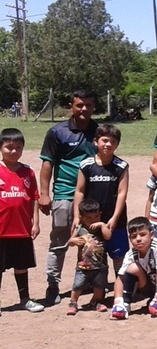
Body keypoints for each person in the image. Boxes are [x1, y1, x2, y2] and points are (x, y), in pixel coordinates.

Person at [39, 89, 98, 305]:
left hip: (92, 195)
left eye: (88, 105)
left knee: (89, 239)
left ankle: (88, 281)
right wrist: (44, 194)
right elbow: (47, 164)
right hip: (64, 193)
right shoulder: (57, 132)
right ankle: (52, 284)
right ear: (71, 106)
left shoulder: (99, 131)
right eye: (79, 105)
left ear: (94, 107)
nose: (84, 109)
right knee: (60, 240)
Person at [72, 124, 129, 271]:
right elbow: (79, 191)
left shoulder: (121, 166)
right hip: (91, 220)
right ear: (96, 141)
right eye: (104, 140)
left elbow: (122, 193)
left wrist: (115, 218)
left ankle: (121, 287)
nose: (108, 144)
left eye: (113, 142)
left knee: (119, 257)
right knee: (90, 253)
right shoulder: (86, 165)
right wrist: (77, 216)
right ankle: (92, 284)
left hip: (115, 220)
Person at [0, 127, 45, 313]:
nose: (13, 151)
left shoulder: (28, 172)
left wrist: (36, 221)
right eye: (9, 147)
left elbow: (34, 197)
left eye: (18, 147)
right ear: (1, 148)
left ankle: (25, 299)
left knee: (21, 266)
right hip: (1, 230)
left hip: (21, 228)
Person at [110, 217, 157, 320]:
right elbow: (120, 278)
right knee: (132, 268)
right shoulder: (131, 253)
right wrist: (118, 301)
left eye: (142, 235)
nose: (138, 239)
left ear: (151, 235)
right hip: (148, 285)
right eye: (134, 236)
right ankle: (125, 304)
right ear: (130, 239)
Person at [66, 199, 112, 315]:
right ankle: (73, 302)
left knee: (99, 286)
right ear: (82, 217)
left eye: (96, 216)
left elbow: (108, 236)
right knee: (78, 285)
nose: (93, 220)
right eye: (89, 218)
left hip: (100, 265)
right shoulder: (80, 228)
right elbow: (70, 242)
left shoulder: (102, 228)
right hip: (83, 265)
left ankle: (96, 302)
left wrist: (102, 224)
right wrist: (74, 240)